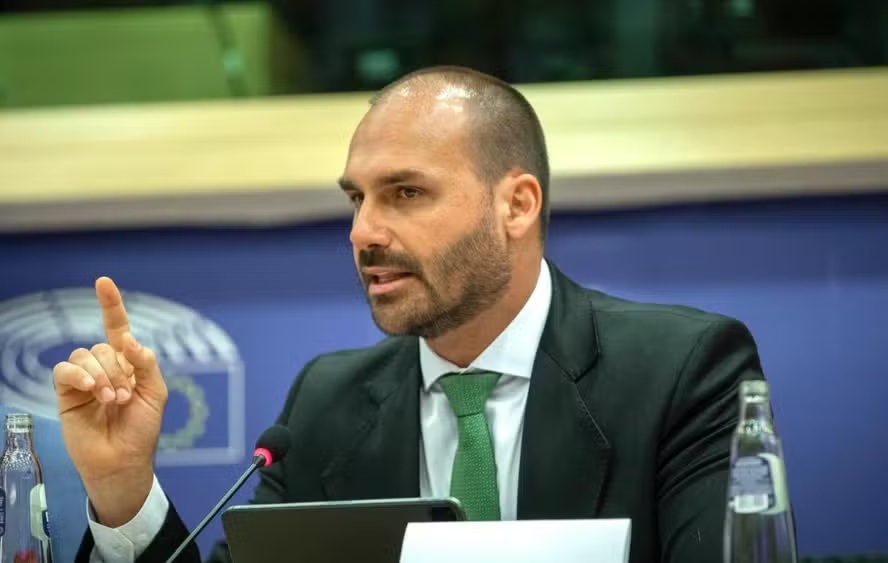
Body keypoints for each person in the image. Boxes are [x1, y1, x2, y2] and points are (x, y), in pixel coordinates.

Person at [53, 66, 765, 563]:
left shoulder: (680, 373)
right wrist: (124, 490)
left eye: (406, 193)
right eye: (356, 198)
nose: (362, 231)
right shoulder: (325, 405)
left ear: (517, 205)